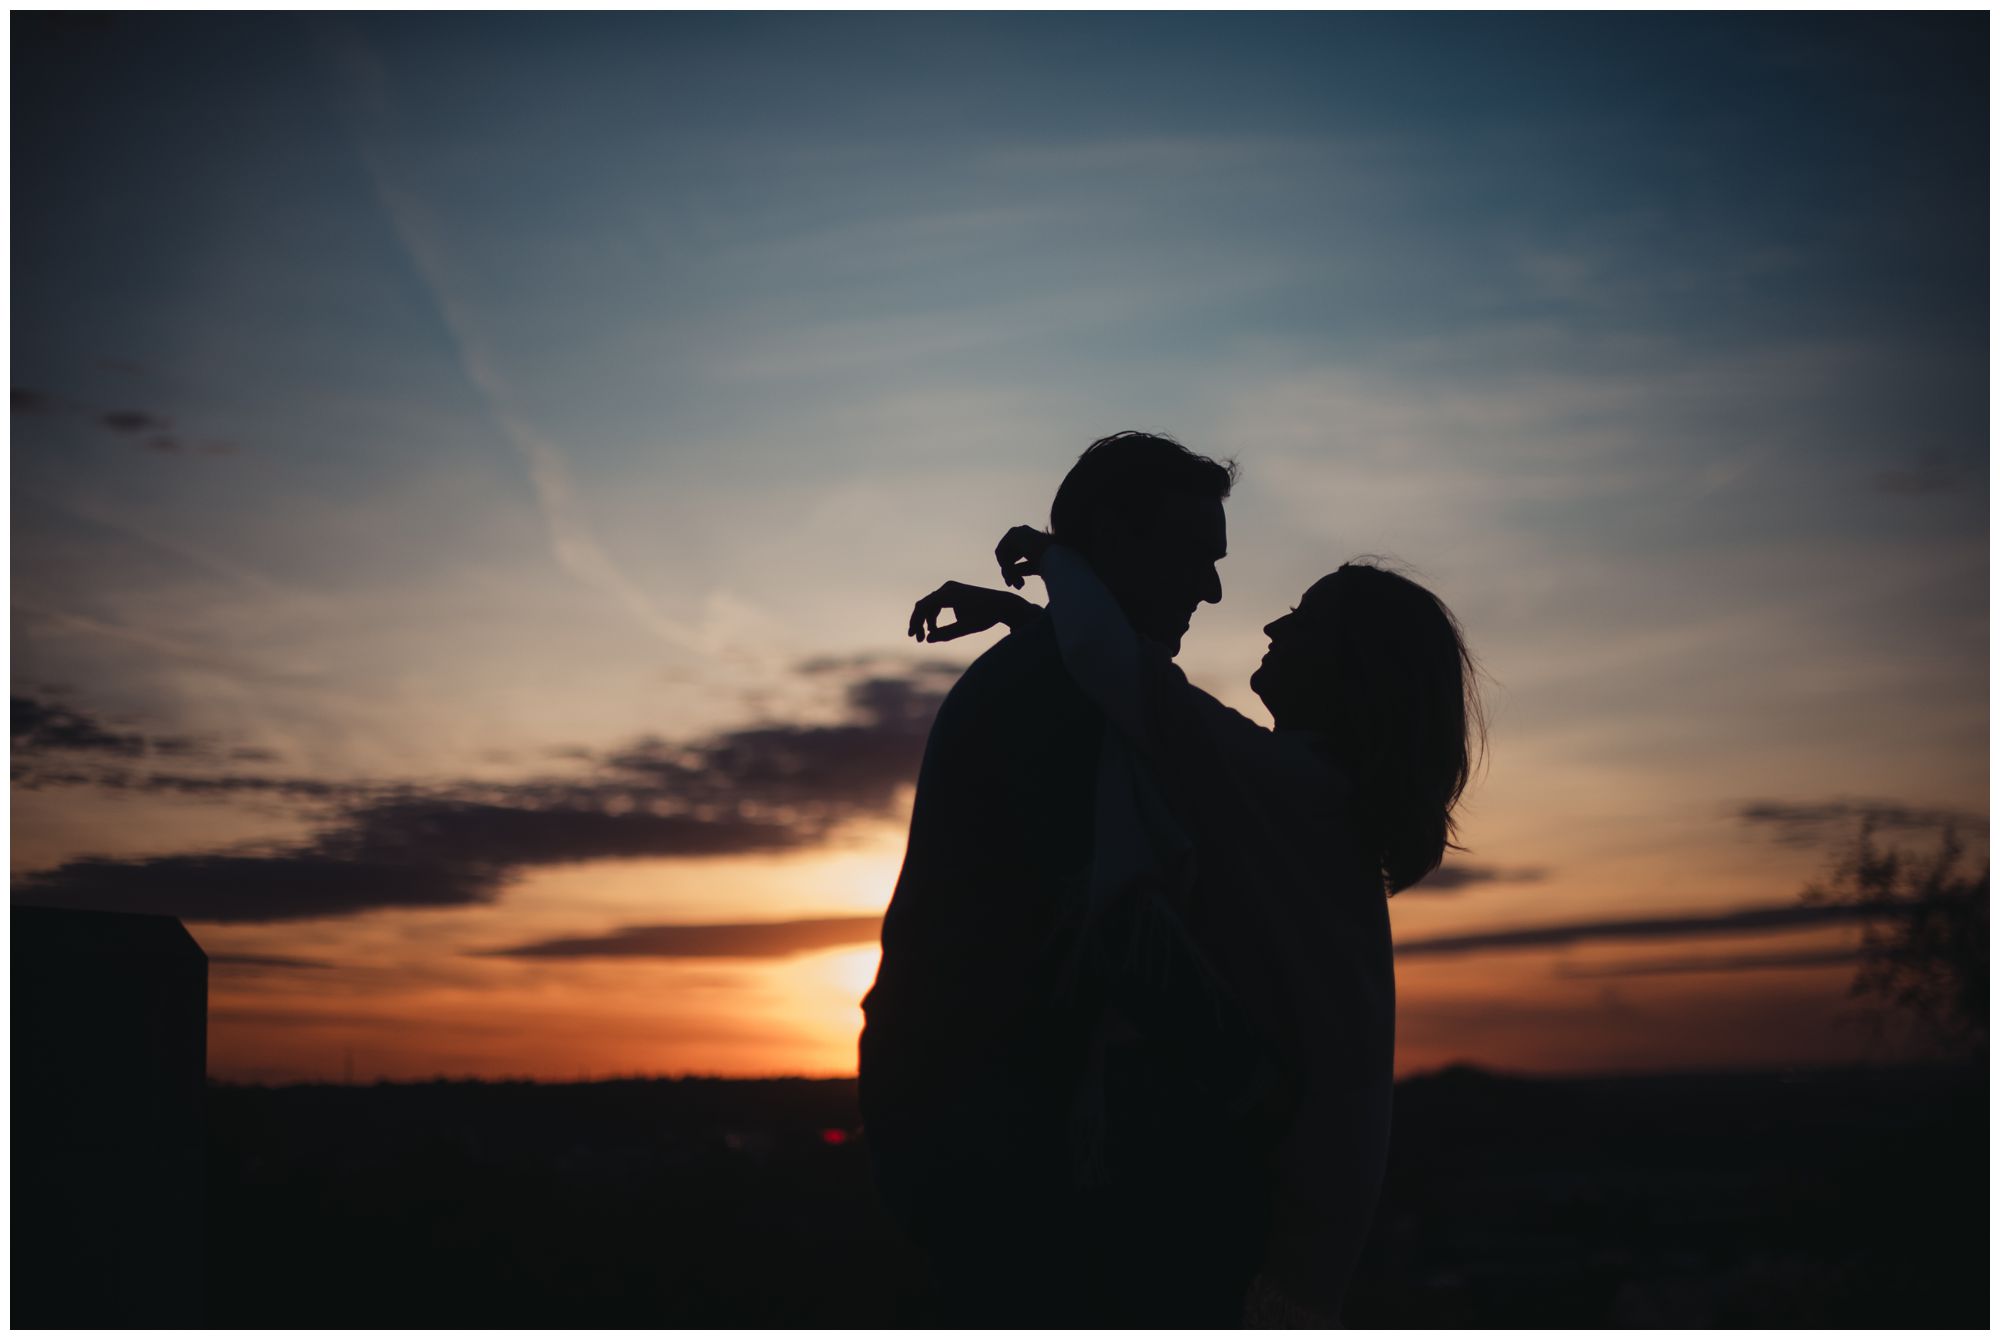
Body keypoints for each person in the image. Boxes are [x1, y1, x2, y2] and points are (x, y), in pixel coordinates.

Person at [905, 524, 1483, 1325]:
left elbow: (1128, 680)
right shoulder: (1303, 794)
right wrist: (1034, 621)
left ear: (1352, 667)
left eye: (1304, 618)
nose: (1274, 627)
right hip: (1260, 1213)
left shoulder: (1295, 791)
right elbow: (1151, 710)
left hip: (1235, 1212)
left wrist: (1060, 562)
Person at [858, 432, 1236, 1326]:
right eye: (1194, 557)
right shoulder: (1063, 691)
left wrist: (1056, 591)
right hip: (995, 1129)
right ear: (1116, 535)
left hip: (968, 1109)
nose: (1214, 590)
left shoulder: (1054, 673)